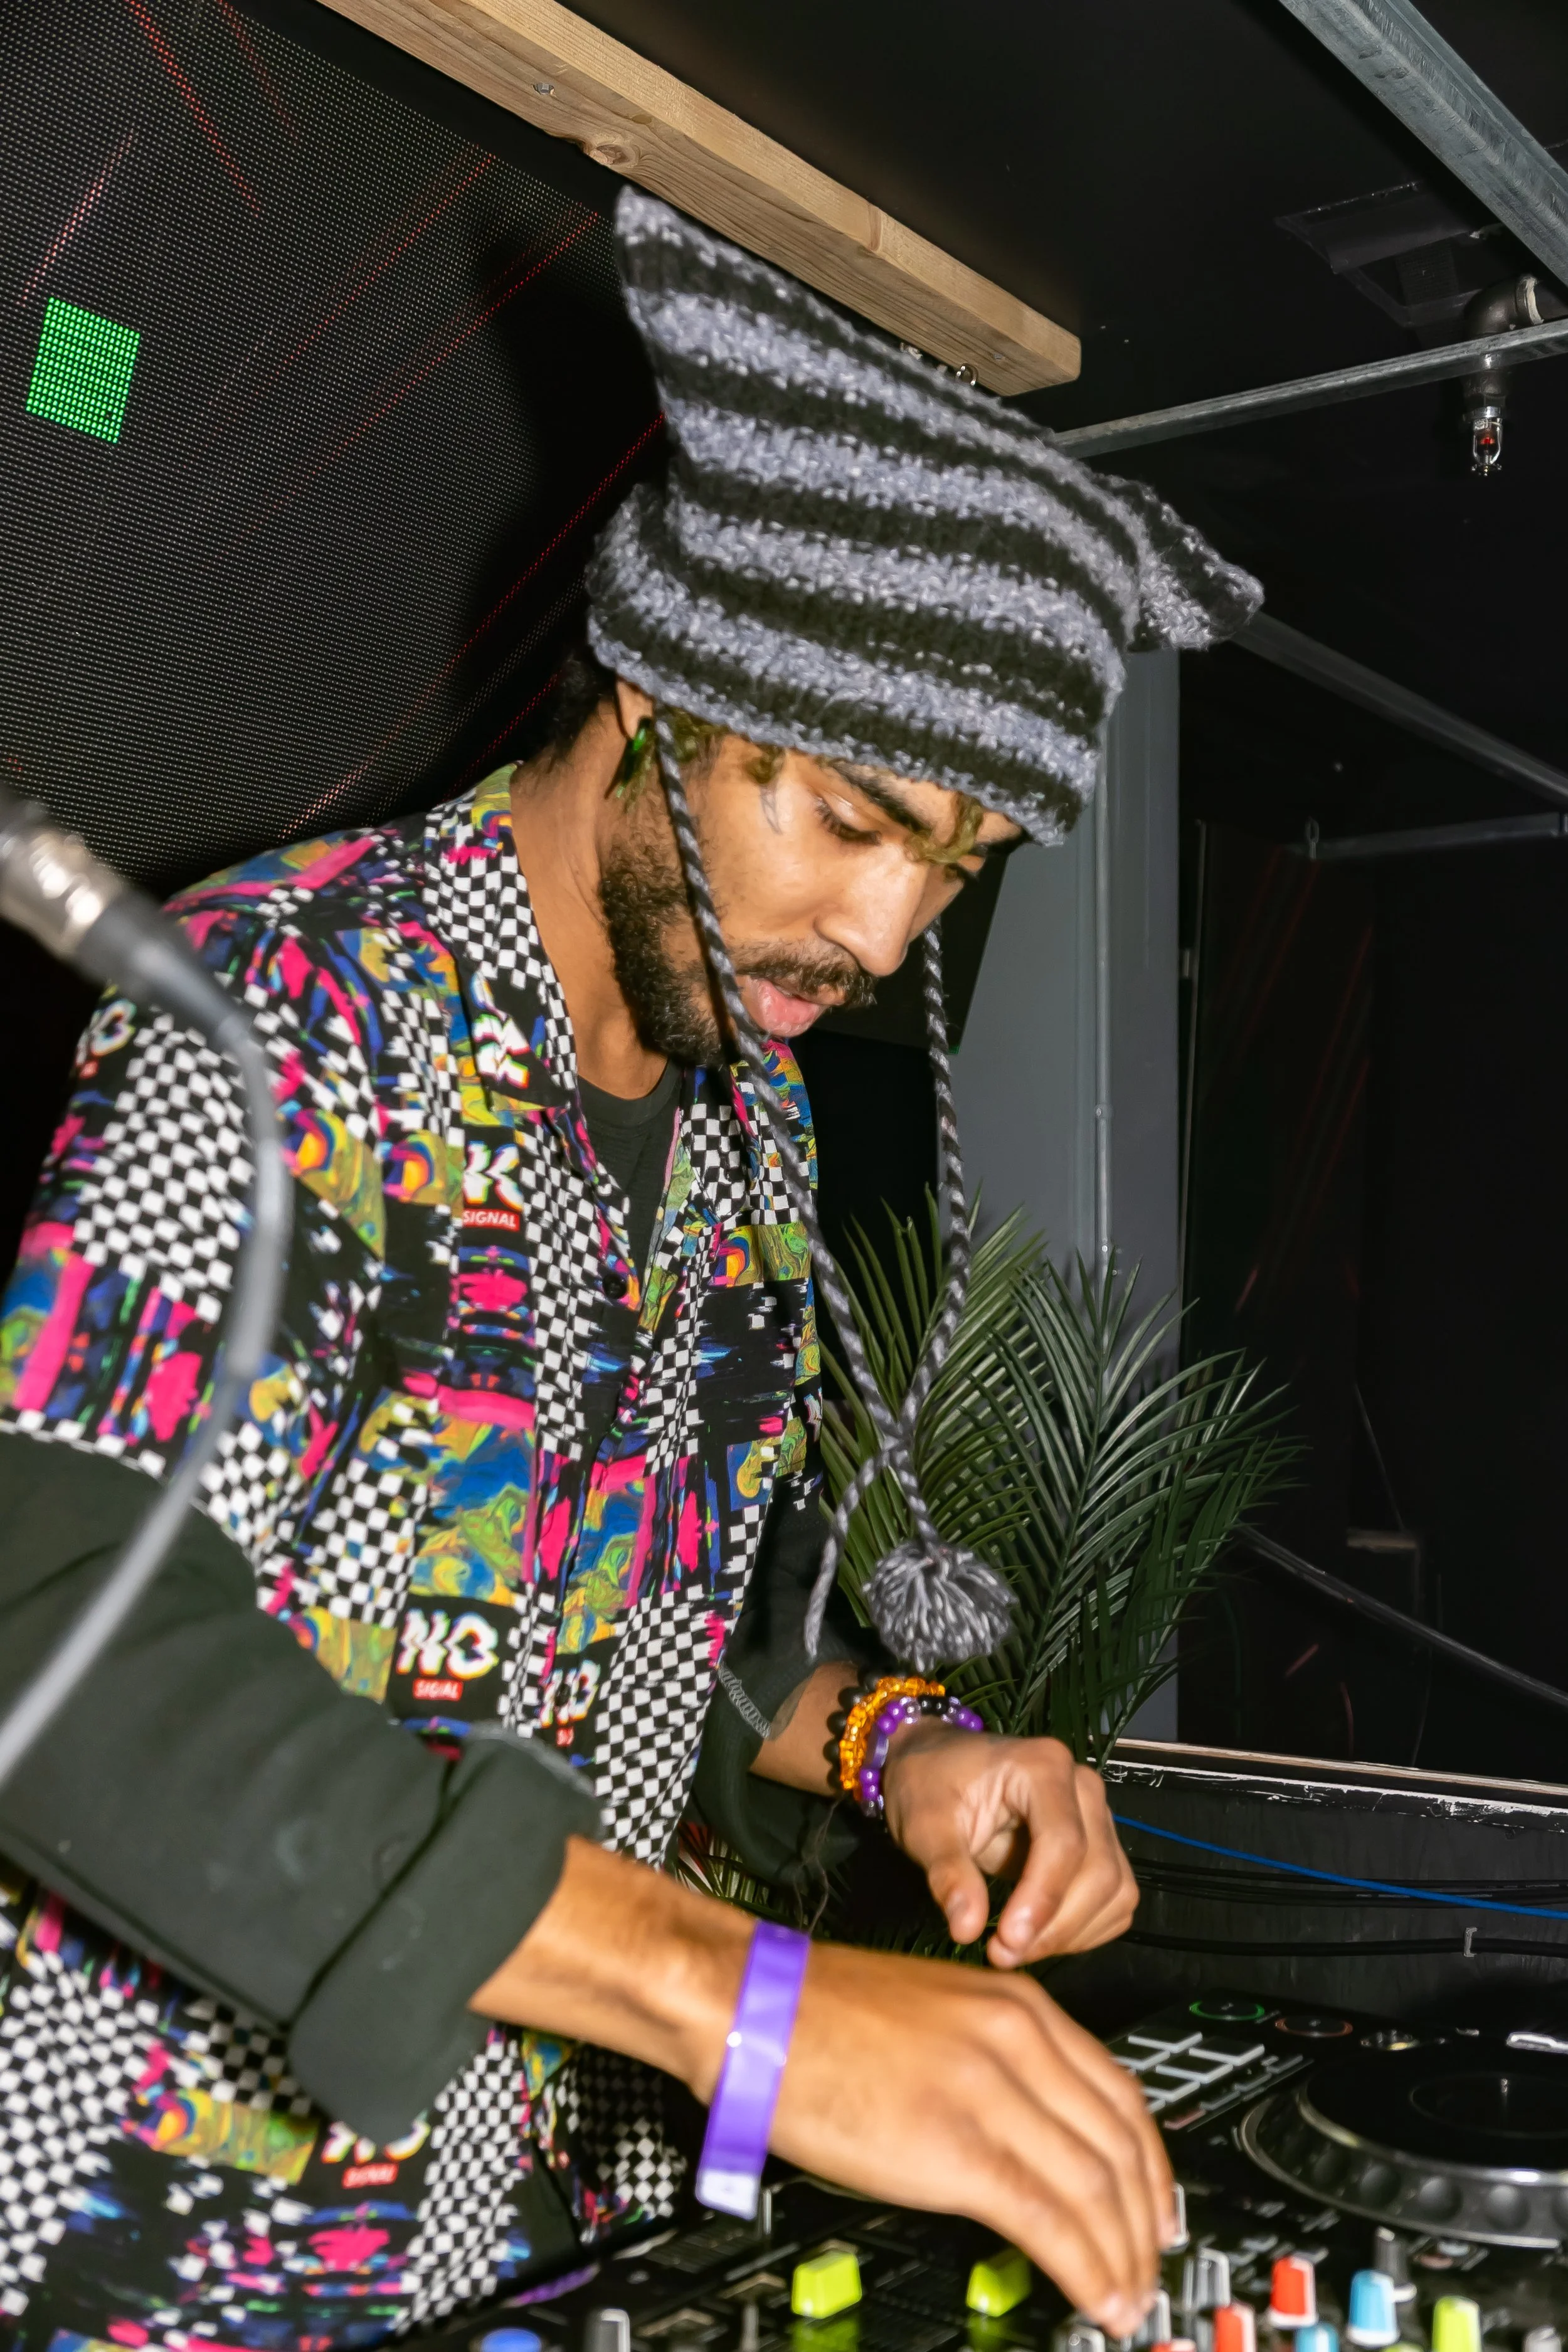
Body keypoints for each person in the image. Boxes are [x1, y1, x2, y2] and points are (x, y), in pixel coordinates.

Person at [0, 192, 1259, 2352]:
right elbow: (57, 1632)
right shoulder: (282, 1013)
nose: (882, 941)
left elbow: (648, 1636)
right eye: (850, 818)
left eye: (948, 869)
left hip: (490, 2229)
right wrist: (737, 1998)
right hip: (139, 2249)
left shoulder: (748, 1123)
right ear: (660, 683)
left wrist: (896, 1746)